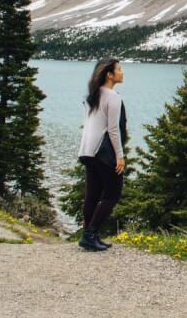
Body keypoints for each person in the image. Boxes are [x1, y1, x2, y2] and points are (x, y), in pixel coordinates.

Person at [77, 58, 127, 251]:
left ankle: (89, 234)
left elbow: (89, 125)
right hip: (103, 152)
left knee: (92, 195)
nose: (122, 73)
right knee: (113, 194)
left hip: (87, 151)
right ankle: (91, 234)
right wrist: (120, 156)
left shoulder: (92, 95)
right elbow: (113, 130)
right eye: (119, 69)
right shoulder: (113, 97)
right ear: (109, 74)